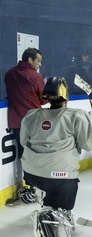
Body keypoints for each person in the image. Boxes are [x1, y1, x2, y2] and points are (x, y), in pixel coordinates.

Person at [21, 77, 92, 237]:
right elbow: (90, 143)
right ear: (66, 96)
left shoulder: (31, 115)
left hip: (31, 174)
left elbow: (24, 141)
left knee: (49, 184)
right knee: (64, 192)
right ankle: (50, 214)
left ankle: (43, 198)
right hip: (59, 177)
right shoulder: (76, 115)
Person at [4, 47, 48, 204]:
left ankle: (29, 186)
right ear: (30, 60)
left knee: (23, 154)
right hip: (33, 122)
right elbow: (44, 99)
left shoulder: (9, 74)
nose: (39, 65)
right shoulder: (35, 76)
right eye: (38, 61)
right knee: (35, 155)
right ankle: (34, 186)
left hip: (16, 123)